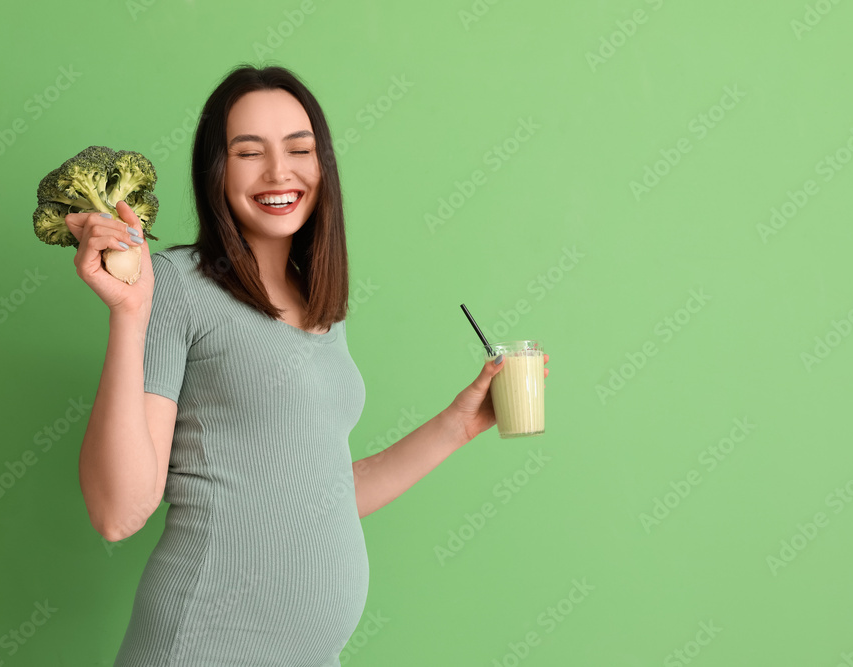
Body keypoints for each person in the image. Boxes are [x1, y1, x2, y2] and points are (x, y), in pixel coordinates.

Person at [70, 64, 550, 666]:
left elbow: (315, 491)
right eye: (249, 153)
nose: (279, 172)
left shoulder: (321, 303)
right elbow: (119, 512)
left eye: (300, 149)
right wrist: (129, 316)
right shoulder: (176, 285)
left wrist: (456, 425)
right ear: (217, 171)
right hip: (204, 647)